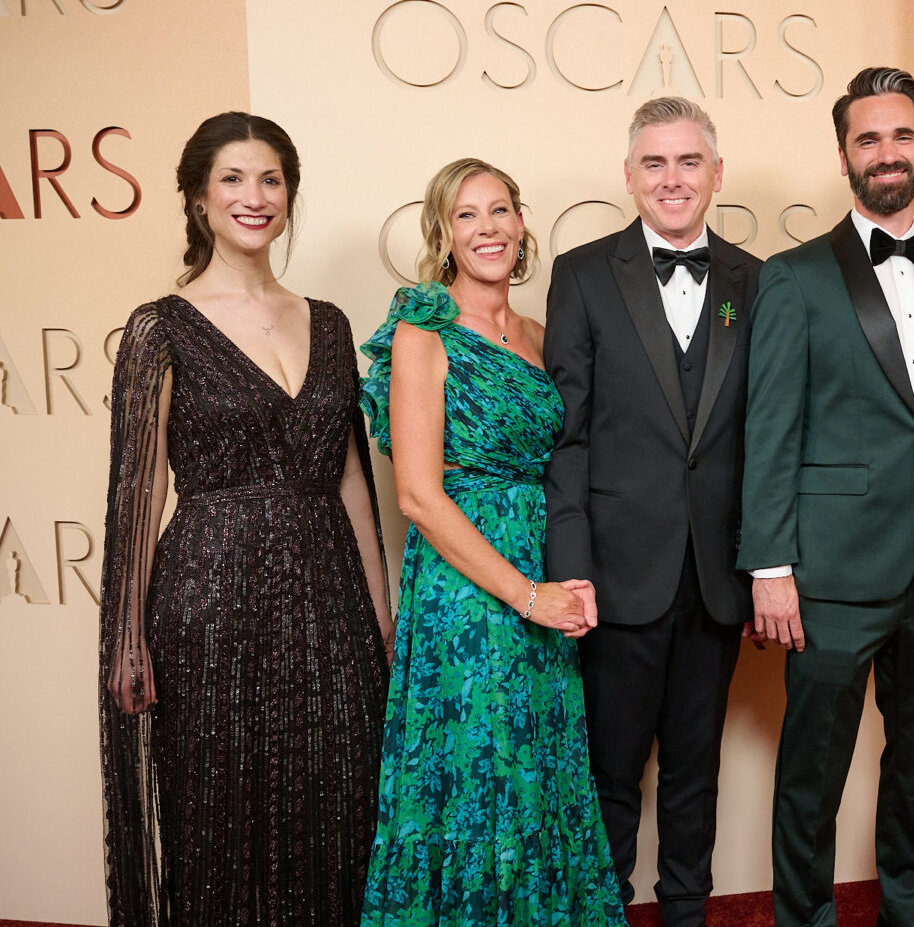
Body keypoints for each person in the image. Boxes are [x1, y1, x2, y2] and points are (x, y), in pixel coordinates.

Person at [98, 112, 392, 926]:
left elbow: (351, 483)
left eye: (270, 179)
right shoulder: (159, 328)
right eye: (232, 178)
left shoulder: (328, 322)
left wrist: (382, 619)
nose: (253, 196)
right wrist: (127, 639)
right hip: (210, 605)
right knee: (216, 821)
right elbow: (137, 495)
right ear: (197, 198)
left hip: (329, 599)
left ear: (290, 195)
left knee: (337, 807)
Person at [739, 66, 914, 927]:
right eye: (868, 139)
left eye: (901, 135)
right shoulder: (794, 277)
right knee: (811, 778)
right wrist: (769, 566)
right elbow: (770, 430)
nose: (887, 153)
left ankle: (910, 916)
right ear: (845, 154)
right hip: (830, 571)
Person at [358, 159, 624, 926]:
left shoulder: (538, 336)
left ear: (521, 224)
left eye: (500, 210)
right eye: (467, 216)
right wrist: (527, 594)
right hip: (467, 591)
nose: (489, 229)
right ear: (443, 236)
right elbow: (418, 495)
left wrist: (558, 585)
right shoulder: (422, 332)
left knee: (539, 773)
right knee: (478, 775)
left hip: (544, 572)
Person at [543, 98, 760, 927]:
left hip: (716, 576)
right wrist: (571, 568)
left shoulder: (756, 280)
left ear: (715, 173)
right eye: (655, 164)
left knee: (696, 775)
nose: (673, 180)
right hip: (616, 572)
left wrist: (762, 562)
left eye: (688, 162)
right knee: (609, 775)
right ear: (629, 176)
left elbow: (770, 434)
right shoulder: (584, 273)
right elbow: (567, 439)